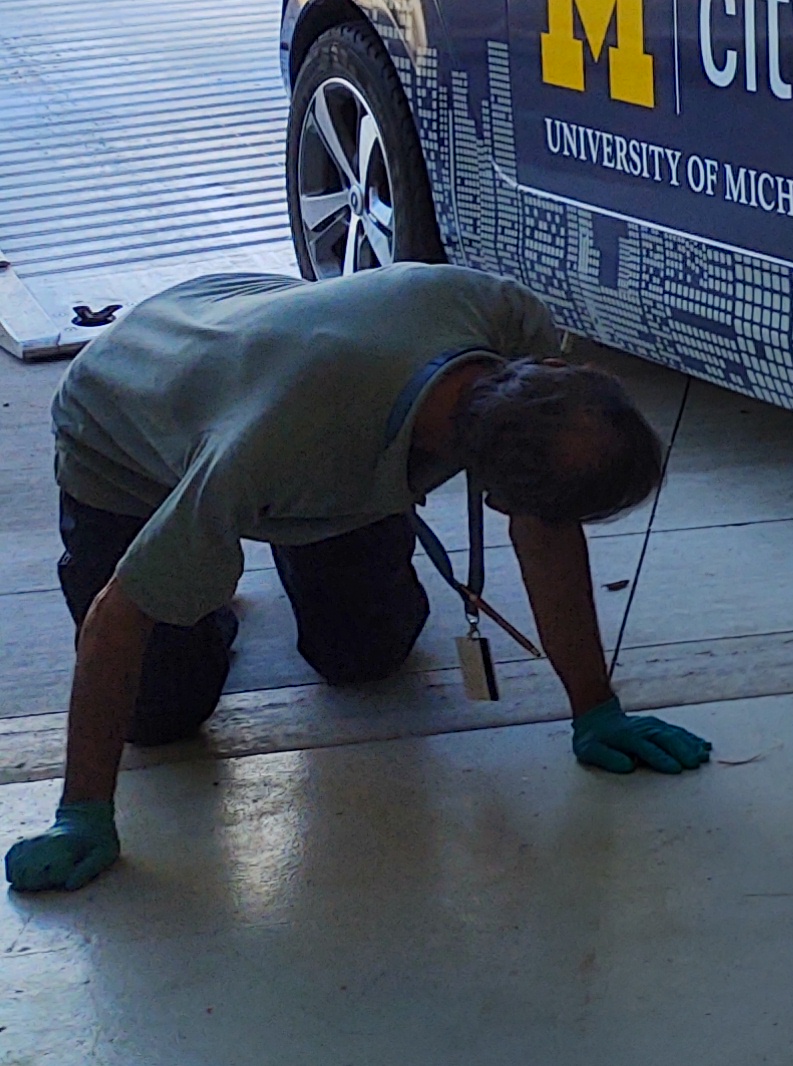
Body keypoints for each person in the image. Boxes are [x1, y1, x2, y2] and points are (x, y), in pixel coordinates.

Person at [6, 264, 711, 896]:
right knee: (163, 714)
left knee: (368, 654)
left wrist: (595, 706)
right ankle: (204, 594)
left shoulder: (511, 322)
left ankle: (241, 556)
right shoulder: (273, 446)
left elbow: (546, 534)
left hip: (276, 364)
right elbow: (118, 616)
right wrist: (82, 811)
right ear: (495, 495)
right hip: (130, 412)